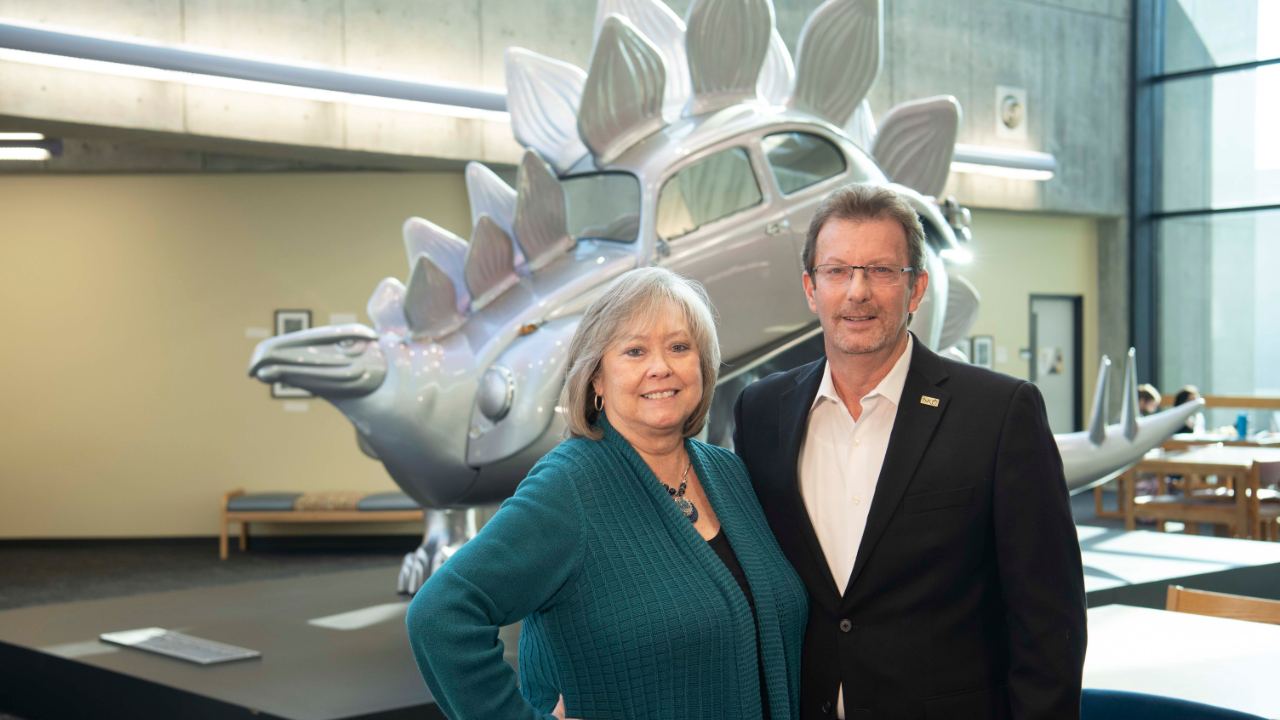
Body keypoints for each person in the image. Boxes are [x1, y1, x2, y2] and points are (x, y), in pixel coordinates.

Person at [733, 184, 1088, 719]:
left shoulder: (998, 413)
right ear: (810, 288)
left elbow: (1050, 620)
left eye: (881, 271)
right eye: (836, 271)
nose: (857, 292)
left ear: (916, 288)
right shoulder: (762, 412)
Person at [406, 267, 809, 720]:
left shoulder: (729, 473)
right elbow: (440, 615)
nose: (661, 367)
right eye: (635, 351)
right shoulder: (569, 486)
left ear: (703, 365)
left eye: (679, 347)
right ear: (596, 378)